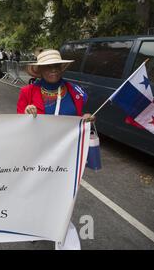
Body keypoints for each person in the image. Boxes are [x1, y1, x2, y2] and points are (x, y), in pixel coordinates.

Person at [16, 49, 94, 250]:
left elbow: (79, 118)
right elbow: (17, 123)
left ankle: (62, 235)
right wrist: (26, 113)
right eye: (48, 67)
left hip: (67, 155)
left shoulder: (75, 92)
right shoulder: (28, 92)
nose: (53, 70)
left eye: (56, 66)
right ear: (40, 70)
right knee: (39, 191)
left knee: (64, 195)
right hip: (38, 154)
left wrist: (86, 119)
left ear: (61, 68)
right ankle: (36, 225)